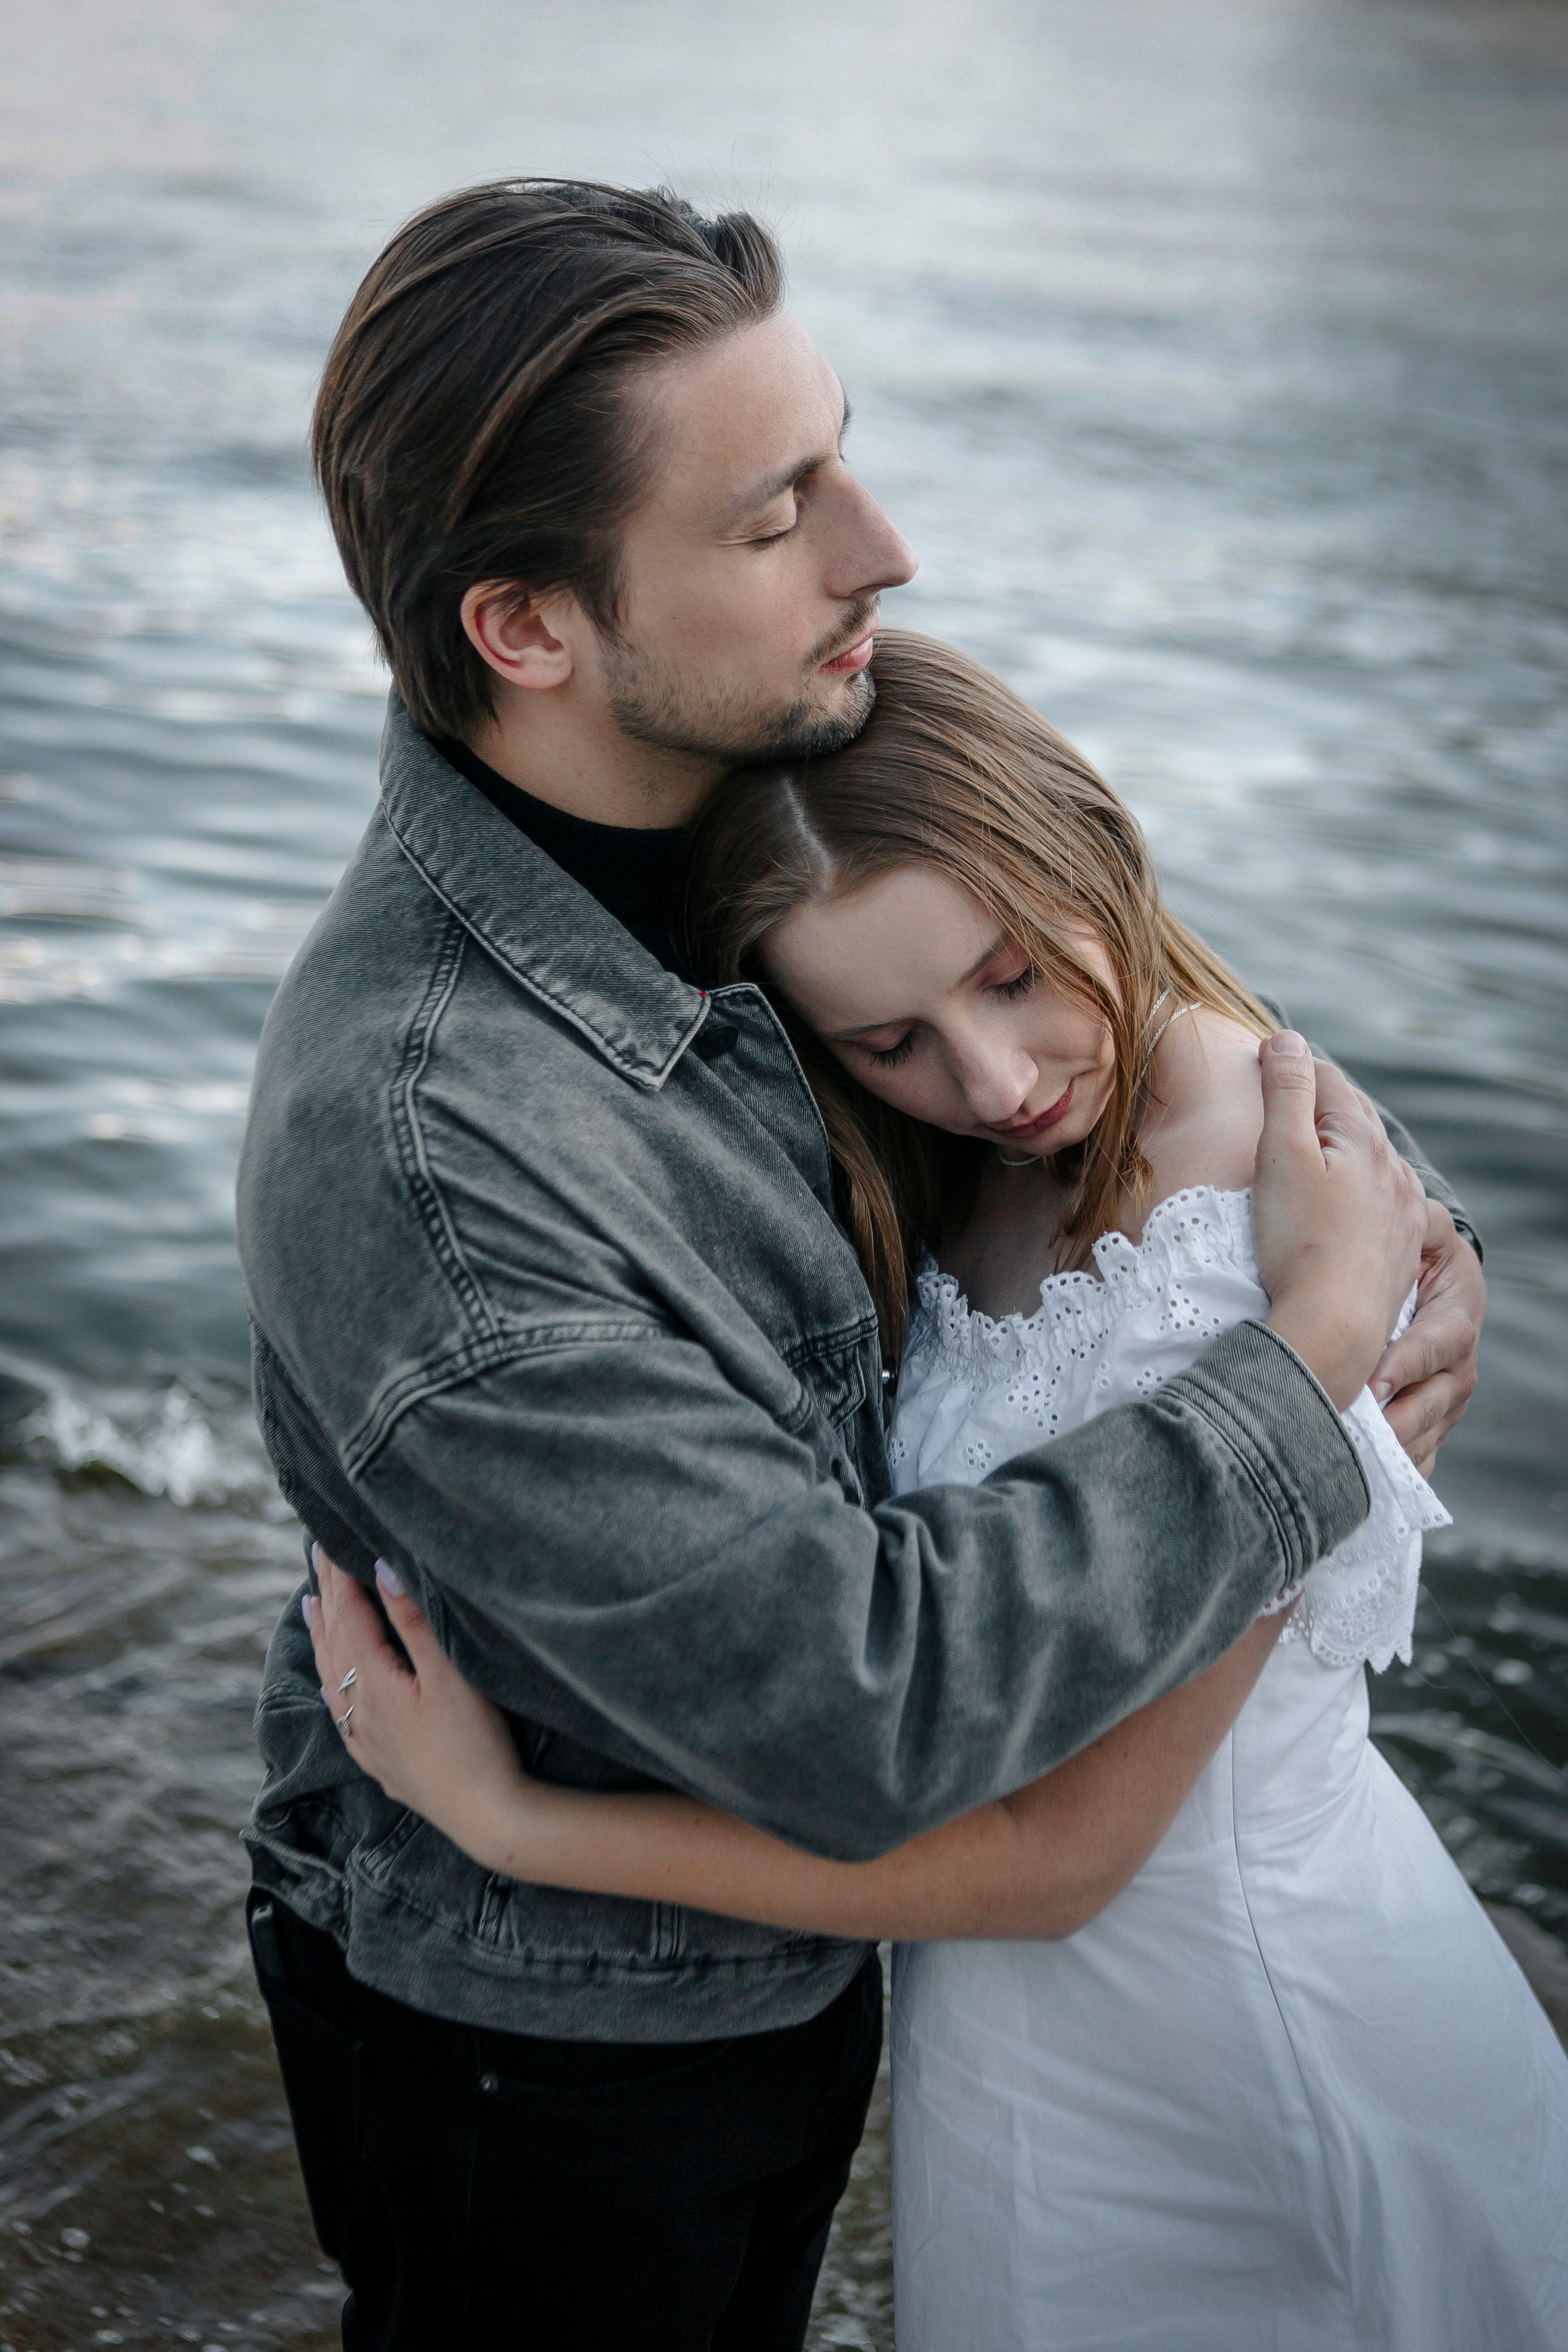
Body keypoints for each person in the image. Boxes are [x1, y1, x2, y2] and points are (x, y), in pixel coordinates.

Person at [236, 181, 1485, 2349]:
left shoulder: (733, 826)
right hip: (550, 2057)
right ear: (527, 629)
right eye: (774, 513)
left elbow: (1066, 1001)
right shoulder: (437, 1138)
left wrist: (1358, 1202)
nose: (883, 546)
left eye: (841, 451)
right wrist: (1302, 1371)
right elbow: (859, 1710)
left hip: (838, 1985)